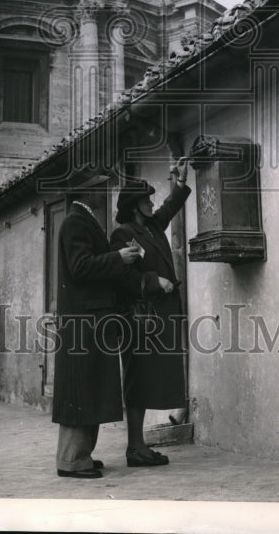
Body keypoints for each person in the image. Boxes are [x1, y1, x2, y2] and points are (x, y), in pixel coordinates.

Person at [52, 174, 171, 479]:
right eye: (100, 187)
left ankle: (81, 456)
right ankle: (72, 461)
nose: (105, 191)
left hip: (93, 318)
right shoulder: (76, 222)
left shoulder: (83, 220)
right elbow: (80, 267)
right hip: (85, 319)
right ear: (88, 191)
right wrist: (118, 257)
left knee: (88, 388)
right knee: (80, 390)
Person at [109, 158, 191, 467]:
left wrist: (180, 183)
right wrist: (154, 283)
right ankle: (134, 447)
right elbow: (123, 277)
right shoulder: (123, 235)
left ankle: (139, 446)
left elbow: (169, 207)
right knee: (137, 380)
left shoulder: (153, 228)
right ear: (133, 205)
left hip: (157, 319)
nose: (151, 202)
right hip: (139, 319)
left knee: (148, 380)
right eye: (145, 199)